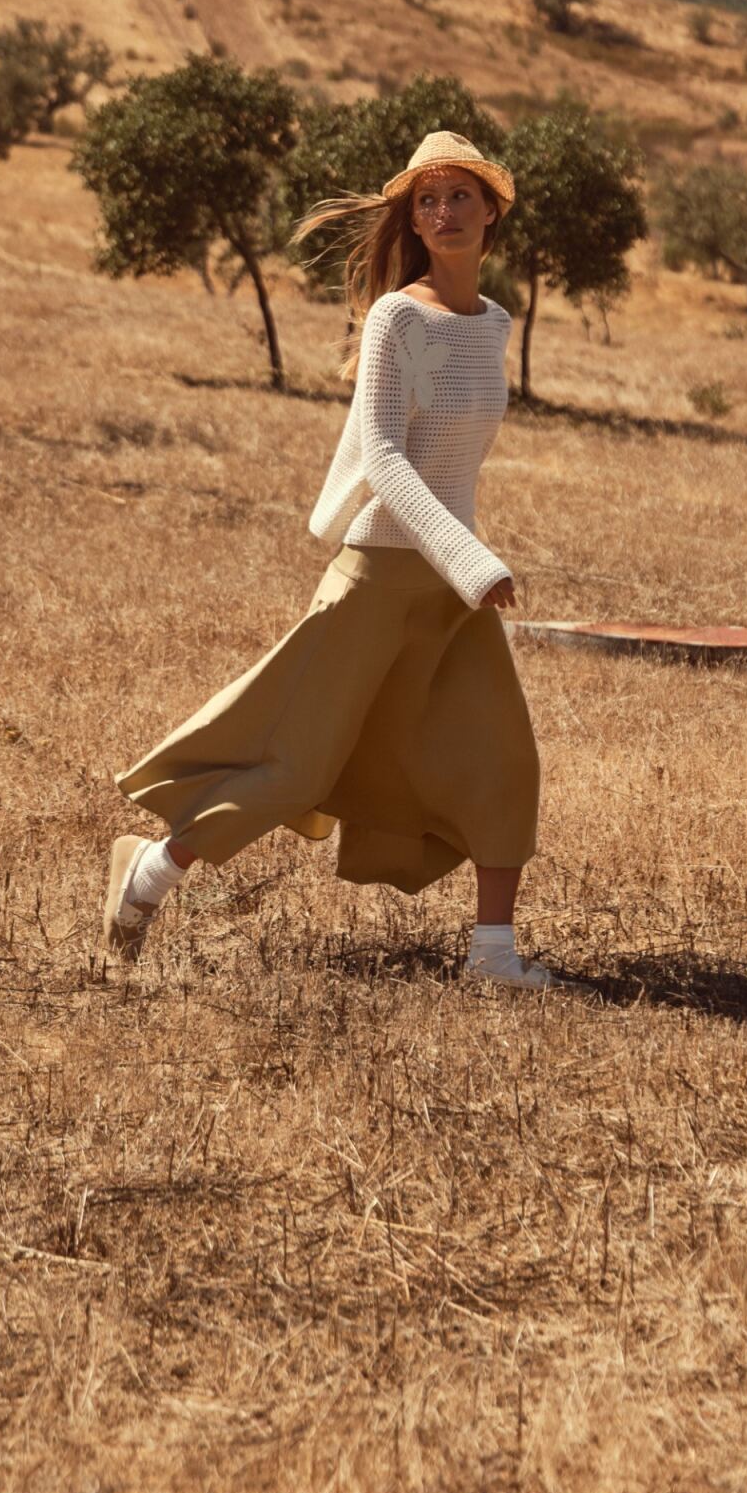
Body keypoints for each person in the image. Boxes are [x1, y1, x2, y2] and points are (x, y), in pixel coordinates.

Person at [100, 129, 569, 989]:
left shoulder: (495, 323)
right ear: (414, 222)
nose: (443, 212)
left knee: (503, 758)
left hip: (449, 592)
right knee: (297, 769)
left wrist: (460, 566)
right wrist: (471, 558)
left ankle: (493, 955)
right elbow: (384, 458)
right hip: (379, 578)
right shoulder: (396, 318)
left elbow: (452, 461)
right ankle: (150, 871)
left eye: (460, 195)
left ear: (491, 212)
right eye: (427, 201)